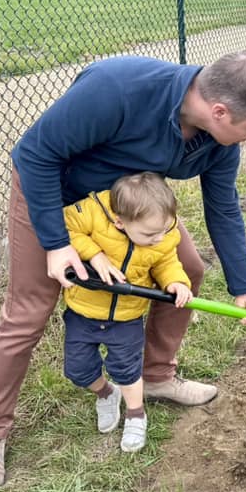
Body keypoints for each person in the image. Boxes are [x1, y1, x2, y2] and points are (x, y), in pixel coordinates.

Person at [0, 51, 246, 490]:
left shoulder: (217, 140)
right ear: (220, 111)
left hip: (124, 207)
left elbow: (223, 206)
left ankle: (155, 377)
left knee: (186, 270)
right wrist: (58, 245)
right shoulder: (118, 89)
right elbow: (34, 155)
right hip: (54, 194)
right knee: (28, 310)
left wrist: (244, 285)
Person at [62, 173, 193, 454]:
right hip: (82, 311)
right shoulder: (93, 213)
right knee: (77, 369)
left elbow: (166, 260)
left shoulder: (163, 235)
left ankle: (136, 414)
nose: (158, 238)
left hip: (126, 316)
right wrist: (95, 254)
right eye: (149, 234)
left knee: (127, 369)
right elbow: (64, 226)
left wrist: (176, 281)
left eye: (164, 229)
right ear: (120, 221)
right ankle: (106, 393)